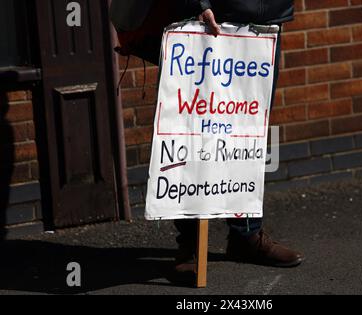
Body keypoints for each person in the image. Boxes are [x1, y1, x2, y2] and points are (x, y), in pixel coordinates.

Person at [110, 0, 304, 280]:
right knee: (192, 130)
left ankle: (245, 235)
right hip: (205, 15)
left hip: (265, 18)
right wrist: (196, 2)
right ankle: (189, 246)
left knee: (246, 130)